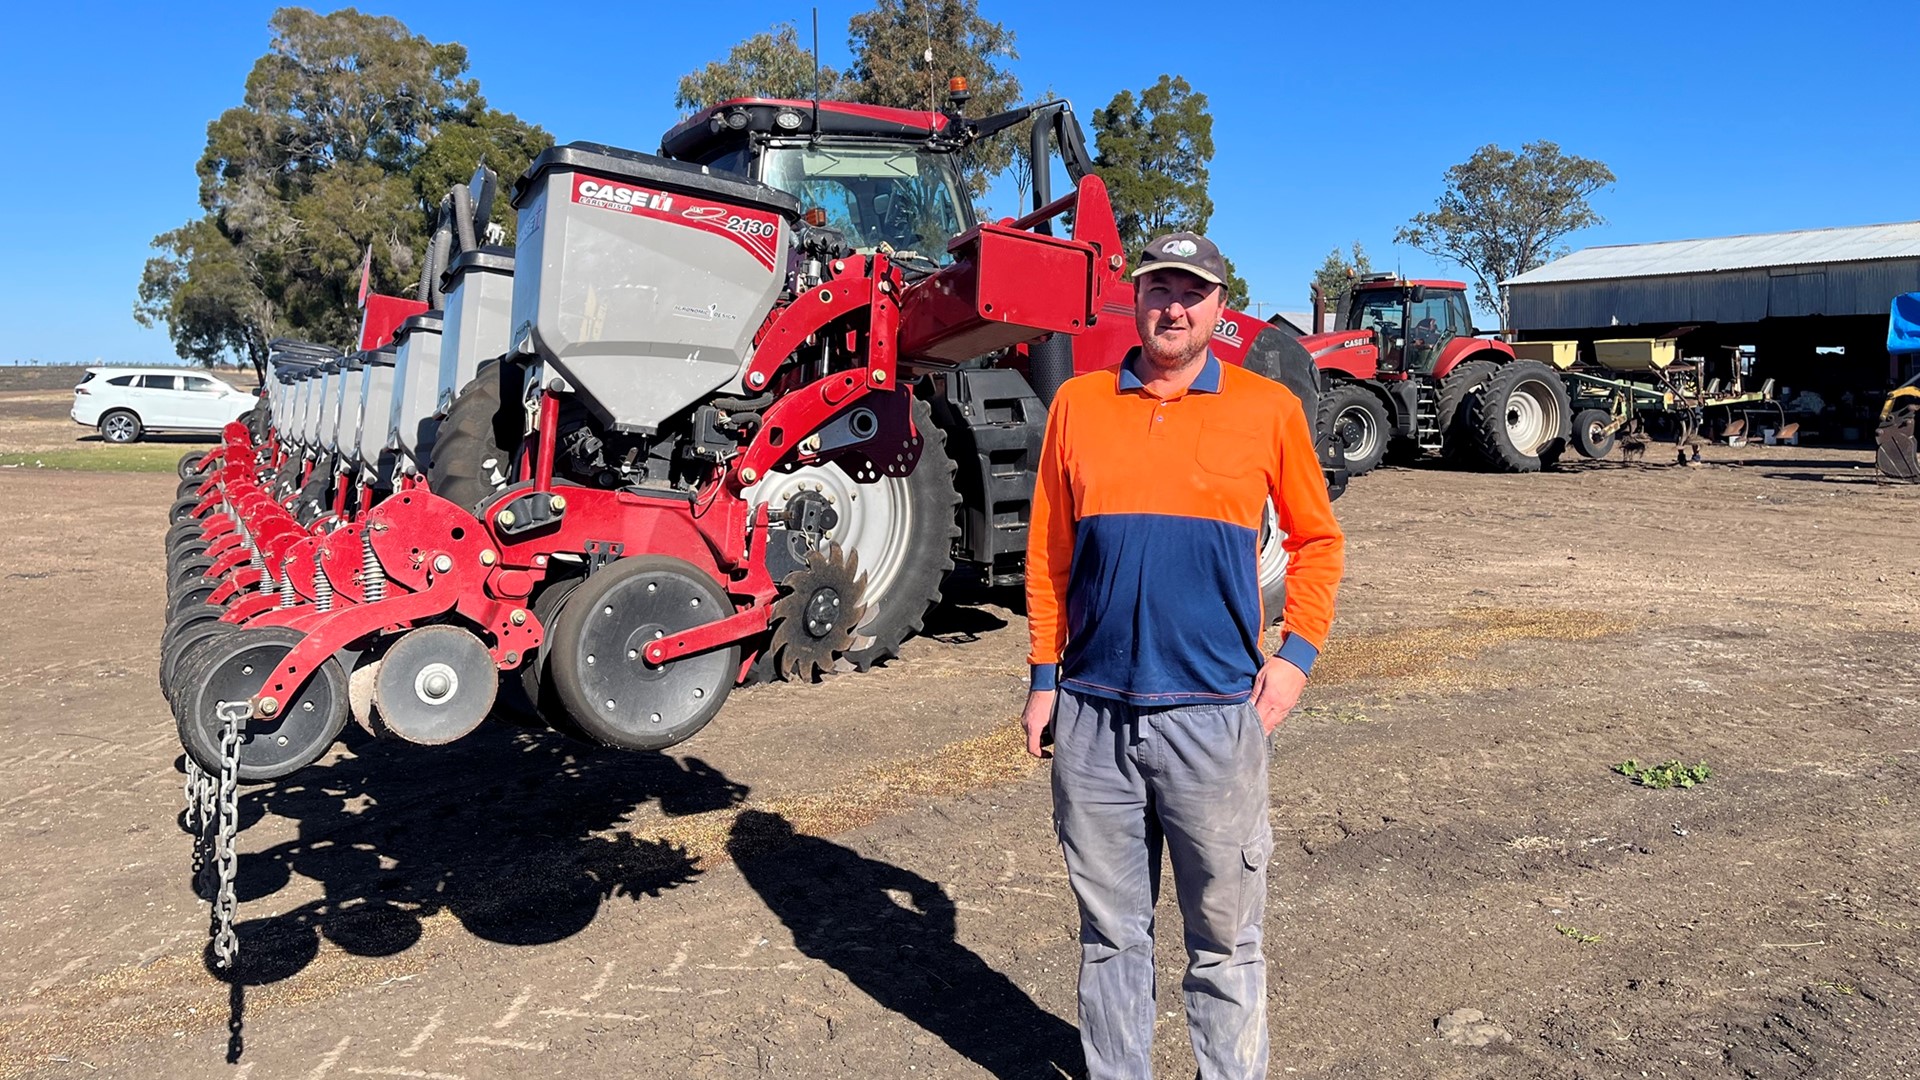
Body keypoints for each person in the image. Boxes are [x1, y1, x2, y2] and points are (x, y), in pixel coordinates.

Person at [1020, 231, 1345, 1079]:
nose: (1173, 305)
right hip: (1093, 718)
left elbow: (1317, 540)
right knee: (1110, 937)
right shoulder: (1078, 406)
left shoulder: (1266, 408)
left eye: (1192, 291)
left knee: (1226, 944)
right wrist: (1043, 678)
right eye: (1159, 286)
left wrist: (1297, 655)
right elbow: (1049, 552)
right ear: (1134, 297)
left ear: (1217, 305)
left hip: (1214, 720)